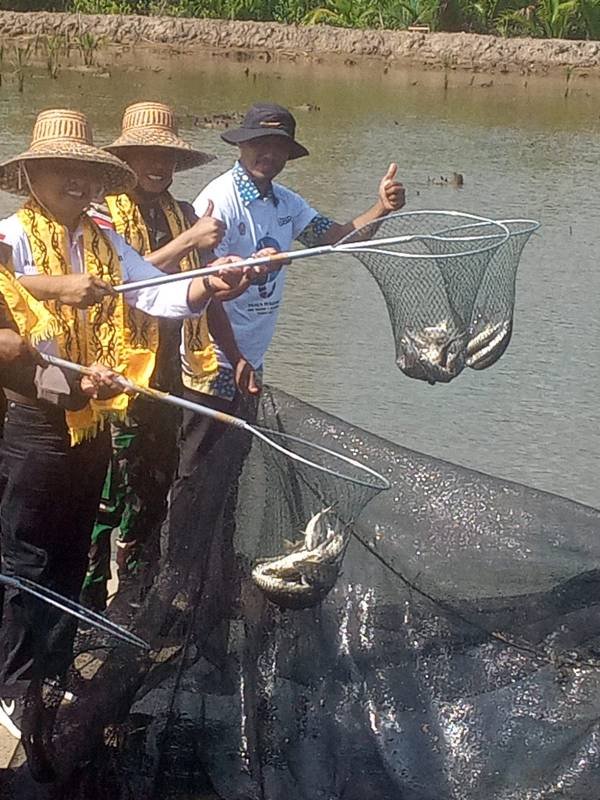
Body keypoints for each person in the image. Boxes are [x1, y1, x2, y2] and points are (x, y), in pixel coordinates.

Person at [0, 108, 250, 739]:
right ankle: (14, 685)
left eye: (86, 174)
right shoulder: (10, 235)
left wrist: (210, 287)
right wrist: (54, 286)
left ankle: (53, 670)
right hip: (32, 420)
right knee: (26, 556)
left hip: (92, 419)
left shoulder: (105, 241)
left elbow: (153, 292)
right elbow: (12, 301)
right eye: (61, 172)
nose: (77, 185)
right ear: (30, 176)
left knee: (69, 551)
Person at [180, 102, 405, 477]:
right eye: (260, 143)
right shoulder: (218, 202)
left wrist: (381, 208)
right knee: (195, 471)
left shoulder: (285, 202)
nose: (268, 154)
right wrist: (236, 356)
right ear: (242, 145)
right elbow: (204, 293)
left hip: (250, 359)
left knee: (231, 470)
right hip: (212, 360)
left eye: (278, 146)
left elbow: (336, 239)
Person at [81, 101, 226, 611]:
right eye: (146, 155)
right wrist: (189, 240)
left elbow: (197, 286)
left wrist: (235, 270)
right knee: (106, 492)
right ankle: (89, 597)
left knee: (154, 484)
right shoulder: (99, 213)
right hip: (113, 372)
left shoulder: (183, 211)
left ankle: (135, 598)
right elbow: (124, 281)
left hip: (168, 369)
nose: (157, 166)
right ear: (125, 160)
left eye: (166, 157)